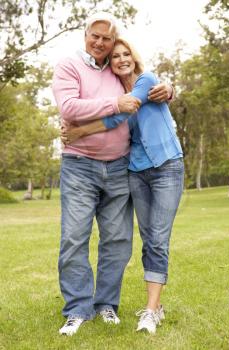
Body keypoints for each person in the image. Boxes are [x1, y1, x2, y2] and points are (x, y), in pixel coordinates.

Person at [52, 12, 173, 336]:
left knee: (117, 241)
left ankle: (106, 305)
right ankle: (77, 309)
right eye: (96, 35)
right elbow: (69, 108)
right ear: (86, 35)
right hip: (79, 166)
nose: (101, 43)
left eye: (108, 38)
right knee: (74, 238)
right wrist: (114, 103)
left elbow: (144, 87)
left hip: (120, 166)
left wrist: (168, 87)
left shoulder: (118, 71)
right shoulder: (69, 66)